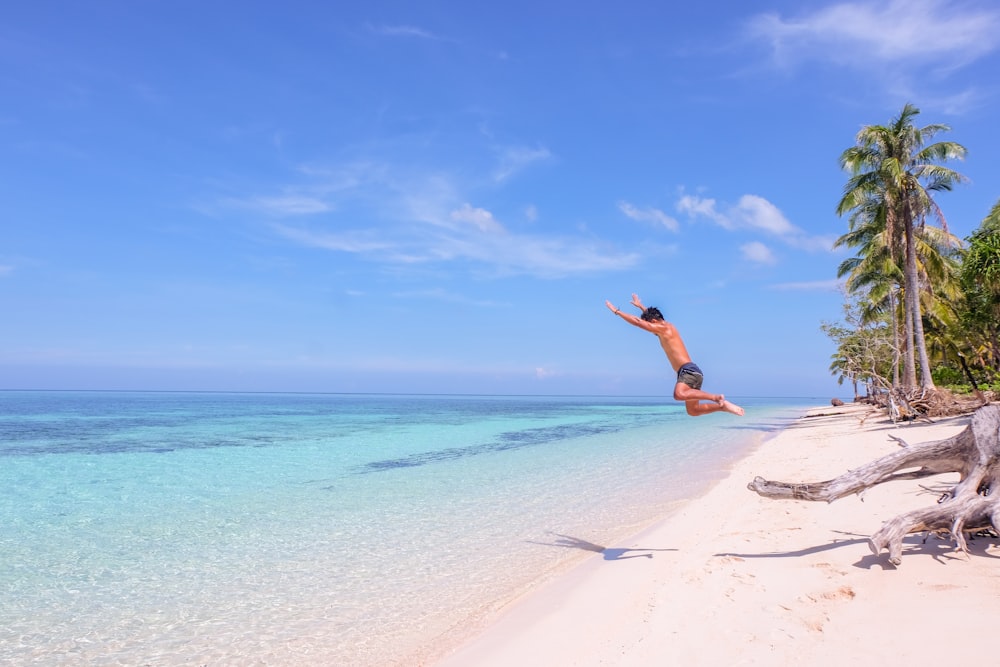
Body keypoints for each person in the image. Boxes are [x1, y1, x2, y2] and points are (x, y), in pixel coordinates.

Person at [605, 293, 744, 417]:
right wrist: (641, 306)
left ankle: (716, 398)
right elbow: (650, 319)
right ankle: (723, 407)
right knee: (693, 411)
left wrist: (616, 311)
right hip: (692, 372)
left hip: (688, 370)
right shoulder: (666, 327)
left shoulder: (664, 328)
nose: (650, 330)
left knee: (678, 395)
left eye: (650, 326)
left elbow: (638, 322)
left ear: (653, 322)